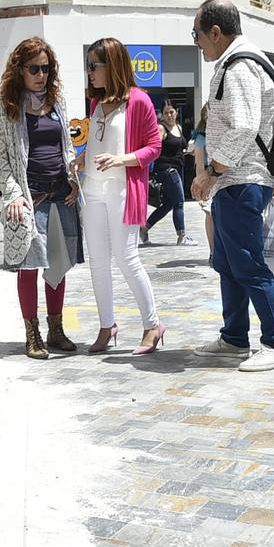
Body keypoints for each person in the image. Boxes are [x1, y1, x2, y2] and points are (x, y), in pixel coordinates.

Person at [189, 0, 274, 373]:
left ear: (216, 33)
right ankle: (234, 337)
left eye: (197, 35)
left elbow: (244, 126)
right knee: (228, 263)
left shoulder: (239, 66)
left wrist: (211, 172)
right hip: (233, 182)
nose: (197, 43)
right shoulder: (238, 61)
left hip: (241, 180)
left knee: (248, 264)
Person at [0, 36, 83, 360]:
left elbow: (66, 146)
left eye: (46, 68)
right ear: (20, 70)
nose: (41, 75)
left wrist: (74, 179)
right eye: (34, 69)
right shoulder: (7, 106)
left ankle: (56, 330)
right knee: (29, 266)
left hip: (61, 193)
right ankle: (32, 334)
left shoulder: (57, 101)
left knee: (58, 265)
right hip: (30, 196)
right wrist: (13, 194)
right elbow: (0, 159)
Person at [82, 37, 166, 355]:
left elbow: (153, 147)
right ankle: (107, 325)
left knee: (126, 257)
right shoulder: (97, 104)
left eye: (94, 66)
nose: (90, 72)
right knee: (97, 261)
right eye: (89, 66)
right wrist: (81, 160)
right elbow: (98, 144)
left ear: (112, 65)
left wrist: (121, 159)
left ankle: (152, 325)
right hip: (93, 188)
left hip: (122, 188)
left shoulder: (139, 101)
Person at [143, 103, 194, 246]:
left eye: (171, 112)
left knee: (168, 204)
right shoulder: (161, 128)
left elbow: (178, 149)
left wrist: (189, 152)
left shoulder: (179, 127)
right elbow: (154, 148)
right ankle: (181, 236)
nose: (169, 115)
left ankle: (144, 227)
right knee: (179, 202)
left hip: (176, 168)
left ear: (176, 112)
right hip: (167, 170)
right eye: (166, 113)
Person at [190, 103, 215, 259]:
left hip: (224, 176)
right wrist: (201, 187)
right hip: (208, 175)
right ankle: (213, 251)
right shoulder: (201, 138)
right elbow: (199, 166)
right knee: (210, 213)